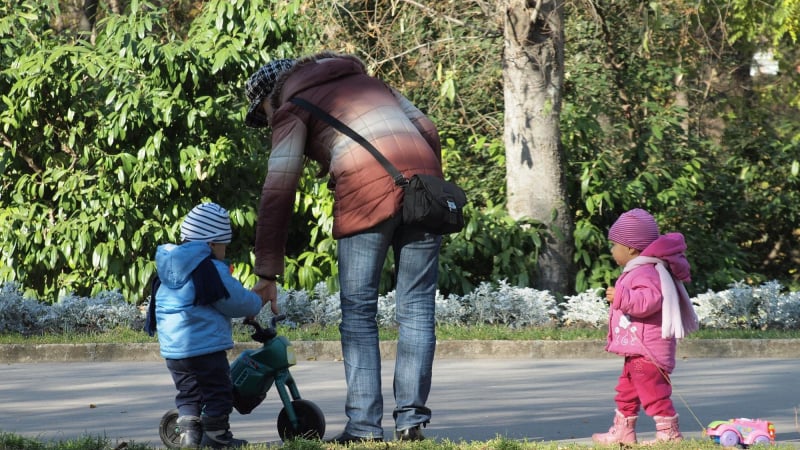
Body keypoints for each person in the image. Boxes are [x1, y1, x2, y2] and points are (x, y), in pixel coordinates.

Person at [243, 51, 443, 443]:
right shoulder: (371, 84)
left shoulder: (292, 106)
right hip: (425, 188)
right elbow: (428, 128)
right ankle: (411, 422)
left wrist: (267, 271)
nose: (266, 120)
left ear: (272, 95)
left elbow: (278, 190)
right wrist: (428, 187)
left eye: (262, 112)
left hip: (366, 191)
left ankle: (365, 428)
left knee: (358, 312)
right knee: (417, 306)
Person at [144, 202, 277, 448]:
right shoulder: (208, 270)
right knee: (219, 392)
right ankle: (217, 438)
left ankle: (189, 438)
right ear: (211, 244)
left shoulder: (168, 269)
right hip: (205, 350)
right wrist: (255, 302)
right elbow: (234, 301)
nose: (225, 251)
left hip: (175, 353)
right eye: (224, 245)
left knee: (189, 394)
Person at [592, 208, 699, 445]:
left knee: (654, 392)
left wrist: (621, 296)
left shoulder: (646, 272)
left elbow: (649, 301)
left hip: (648, 350)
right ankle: (623, 432)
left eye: (615, 245)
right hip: (638, 349)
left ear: (630, 248)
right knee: (626, 391)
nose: (612, 251)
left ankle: (669, 435)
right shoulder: (640, 269)